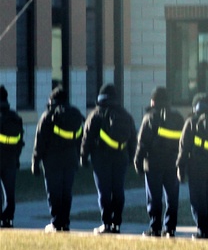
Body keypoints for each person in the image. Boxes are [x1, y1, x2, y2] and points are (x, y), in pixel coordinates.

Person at [81, 83, 137, 234]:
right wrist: (132, 157)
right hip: (121, 158)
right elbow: (133, 139)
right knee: (118, 190)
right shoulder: (126, 115)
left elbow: (86, 137)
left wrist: (83, 157)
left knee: (104, 191)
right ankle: (116, 224)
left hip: (101, 158)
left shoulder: (95, 115)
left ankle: (106, 223)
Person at [31, 86, 84, 232]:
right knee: (66, 192)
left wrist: (35, 162)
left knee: (54, 193)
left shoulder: (48, 116)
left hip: (52, 161)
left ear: (52, 99)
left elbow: (40, 141)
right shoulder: (76, 115)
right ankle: (65, 222)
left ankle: (55, 222)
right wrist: (79, 156)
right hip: (70, 160)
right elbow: (80, 139)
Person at [135, 87, 185, 237]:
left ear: (153, 101)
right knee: (172, 197)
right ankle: (170, 228)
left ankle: (155, 227)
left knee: (154, 197)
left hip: (153, 163)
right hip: (172, 163)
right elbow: (183, 141)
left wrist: (138, 162)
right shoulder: (178, 118)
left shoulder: (150, 117)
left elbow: (142, 143)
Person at [177, 93, 208, 239]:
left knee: (198, 199)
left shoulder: (191, 122)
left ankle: (202, 230)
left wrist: (180, 168)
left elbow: (184, 147)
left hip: (196, 166)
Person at [0, 85, 25, 229]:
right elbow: (20, 141)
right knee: (10, 192)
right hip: (11, 160)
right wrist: (16, 157)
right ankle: (8, 219)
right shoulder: (15, 117)